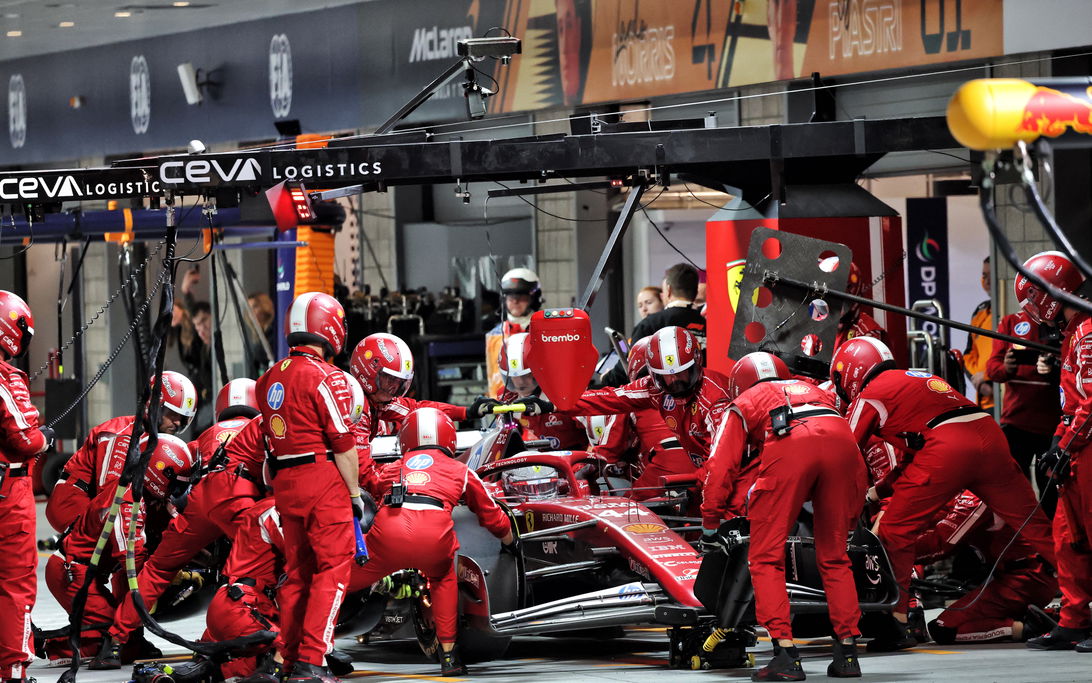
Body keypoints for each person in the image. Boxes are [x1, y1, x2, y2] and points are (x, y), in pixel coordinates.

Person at [832, 336, 1056, 651]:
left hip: (948, 446)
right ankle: (1079, 610)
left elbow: (839, 449)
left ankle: (897, 622)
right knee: (1037, 526)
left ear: (852, 372)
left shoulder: (869, 396)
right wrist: (874, 493)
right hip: (987, 431)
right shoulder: (918, 380)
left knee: (895, 530)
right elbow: (912, 459)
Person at [702, 351, 865, 680]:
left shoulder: (745, 400)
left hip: (790, 445)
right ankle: (847, 654)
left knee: (765, 558)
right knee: (835, 557)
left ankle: (786, 655)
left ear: (740, 384)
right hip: (843, 444)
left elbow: (720, 467)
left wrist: (710, 522)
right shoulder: (814, 389)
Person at [95, 378, 264, 668]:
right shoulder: (263, 427)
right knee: (262, 570)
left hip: (202, 501)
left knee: (158, 569)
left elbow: (182, 477)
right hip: (240, 496)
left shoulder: (205, 436)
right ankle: (228, 643)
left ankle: (114, 641)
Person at [350, 408, 515, 677]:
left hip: (388, 538)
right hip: (434, 538)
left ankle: (315, 649)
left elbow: (371, 487)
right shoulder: (460, 470)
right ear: (450, 438)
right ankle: (449, 657)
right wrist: (509, 541)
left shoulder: (393, 468)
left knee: (334, 582)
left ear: (404, 440)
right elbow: (492, 516)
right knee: (443, 579)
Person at [255, 291, 361, 683]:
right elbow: (343, 443)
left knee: (298, 572)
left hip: (285, 482)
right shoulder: (326, 377)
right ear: (329, 327)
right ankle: (313, 662)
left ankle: (286, 656)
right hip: (323, 481)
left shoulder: (268, 379)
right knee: (333, 571)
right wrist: (354, 495)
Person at [864, 442, 1058, 645]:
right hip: (1013, 576)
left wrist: (887, 551)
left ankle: (1029, 628)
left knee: (943, 629)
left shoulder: (979, 496)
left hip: (1026, 579)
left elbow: (941, 543)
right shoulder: (977, 486)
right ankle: (1044, 615)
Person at [46, 433, 194, 665]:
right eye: (176, 485)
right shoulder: (127, 499)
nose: (177, 492)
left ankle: (128, 638)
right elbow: (131, 562)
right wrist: (173, 572)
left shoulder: (142, 494)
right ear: (158, 474)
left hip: (91, 570)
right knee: (116, 644)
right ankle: (48, 646)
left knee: (130, 636)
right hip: (73, 573)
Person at [537, 327, 733, 496]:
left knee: (635, 512)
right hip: (701, 470)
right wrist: (554, 404)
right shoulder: (653, 389)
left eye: (682, 374)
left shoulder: (715, 399)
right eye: (665, 377)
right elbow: (610, 397)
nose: (675, 383)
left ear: (697, 363)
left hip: (721, 473)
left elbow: (723, 463)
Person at [1011, 251, 1092, 651]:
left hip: (1089, 448)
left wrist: (1069, 442)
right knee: (1067, 538)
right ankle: (1074, 621)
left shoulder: (1089, 329)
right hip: (1077, 448)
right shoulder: (1075, 331)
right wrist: (1057, 445)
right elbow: (1072, 402)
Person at [47, 370, 197, 534]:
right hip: (74, 503)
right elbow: (109, 496)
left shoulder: (156, 439)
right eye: (173, 414)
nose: (177, 422)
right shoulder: (120, 436)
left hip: (101, 501)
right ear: (153, 406)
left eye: (183, 419)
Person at [0, 290, 52, 683]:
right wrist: (45, 436)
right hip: (8, 493)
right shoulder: (6, 378)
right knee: (15, 583)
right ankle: (13, 671)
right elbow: (25, 439)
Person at [578, 336, 697, 498]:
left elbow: (607, 453)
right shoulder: (699, 390)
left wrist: (577, 470)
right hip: (703, 465)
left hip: (665, 465)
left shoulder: (634, 397)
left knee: (628, 510)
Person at [986, 306, 1061, 514]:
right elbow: (992, 368)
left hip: (1053, 427)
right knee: (1011, 487)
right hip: (1016, 422)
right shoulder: (1010, 322)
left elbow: (1074, 368)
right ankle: (1019, 540)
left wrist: (1053, 367)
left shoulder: (1061, 321)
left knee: (1050, 495)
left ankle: (1049, 539)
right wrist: (1006, 368)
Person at [349, 332, 498, 437]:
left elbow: (418, 409)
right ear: (368, 369)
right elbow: (364, 472)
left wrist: (467, 412)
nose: (394, 387)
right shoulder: (355, 406)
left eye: (399, 382)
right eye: (389, 378)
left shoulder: (379, 403)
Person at [498, 332, 589, 450]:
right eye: (514, 376)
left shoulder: (566, 392)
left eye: (526, 375)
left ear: (540, 371)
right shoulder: (507, 397)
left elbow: (595, 432)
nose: (520, 382)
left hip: (574, 458)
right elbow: (507, 438)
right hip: (536, 460)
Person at [486, 268, 542, 398]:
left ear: (533, 298)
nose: (515, 301)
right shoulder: (494, 335)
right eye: (510, 297)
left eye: (521, 296)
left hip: (543, 402)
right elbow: (493, 377)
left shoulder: (546, 330)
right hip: (507, 405)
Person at [630, 263, 705, 345]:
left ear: (669, 290)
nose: (644, 309)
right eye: (639, 305)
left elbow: (634, 356)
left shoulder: (647, 326)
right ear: (696, 291)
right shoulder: (709, 326)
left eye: (649, 302)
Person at [830, 260, 888, 348]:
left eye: (846, 288)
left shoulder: (866, 334)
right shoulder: (814, 328)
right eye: (831, 289)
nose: (836, 298)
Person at [963, 256, 995, 410]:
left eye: (991, 275)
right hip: (985, 400)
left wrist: (989, 377)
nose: (987, 281)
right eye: (984, 275)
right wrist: (980, 380)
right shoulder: (980, 312)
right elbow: (969, 355)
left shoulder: (1014, 315)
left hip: (1010, 402)